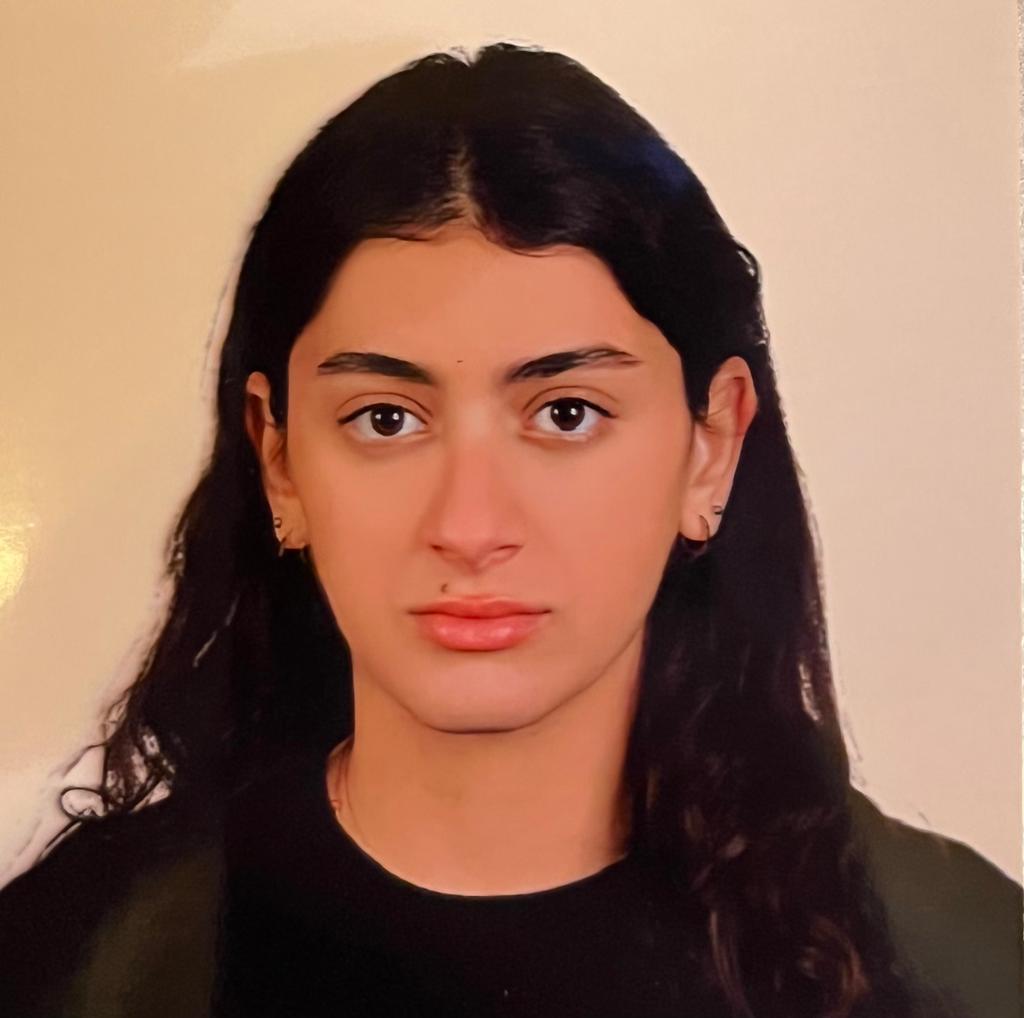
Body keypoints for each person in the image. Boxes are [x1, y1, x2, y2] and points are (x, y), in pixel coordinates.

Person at [0, 41, 1019, 1018]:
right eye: (386, 420)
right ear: (279, 458)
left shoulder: (965, 964)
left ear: (710, 447)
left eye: (566, 413)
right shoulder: (76, 957)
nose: (470, 525)